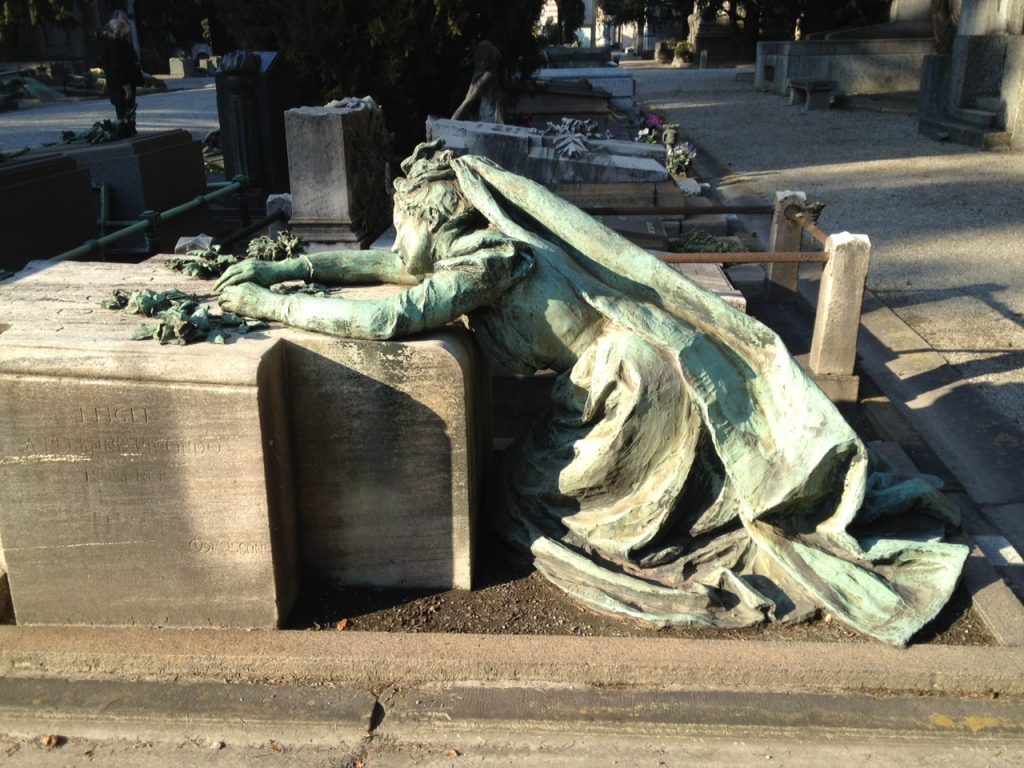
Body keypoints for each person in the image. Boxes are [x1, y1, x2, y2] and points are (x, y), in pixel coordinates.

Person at [217, 141, 967, 645]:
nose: (394, 236)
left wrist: (267, 306)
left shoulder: (493, 259)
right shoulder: (472, 248)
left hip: (635, 385)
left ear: (430, 218)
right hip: (620, 375)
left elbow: (392, 311)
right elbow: (384, 272)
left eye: (401, 219)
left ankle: (675, 532)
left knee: (526, 508)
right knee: (519, 497)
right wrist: (289, 272)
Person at [97, 10, 143, 133]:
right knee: (124, 110)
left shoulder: (116, 42)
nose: (126, 26)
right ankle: (127, 132)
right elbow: (117, 66)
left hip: (120, 81)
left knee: (127, 111)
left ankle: (129, 131)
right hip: (121, 83)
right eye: (124, 24)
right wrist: (126, 86)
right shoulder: (114, 43)